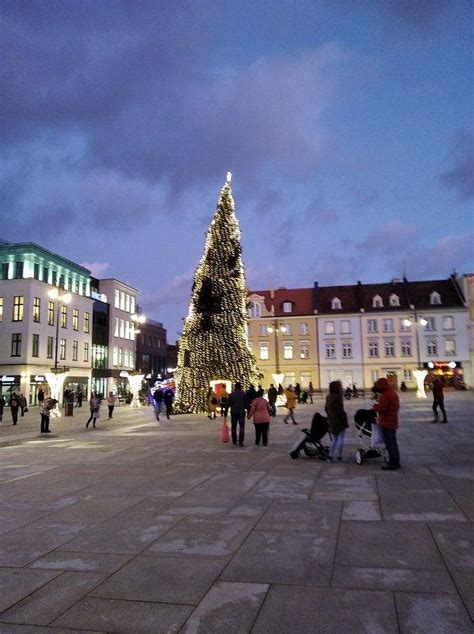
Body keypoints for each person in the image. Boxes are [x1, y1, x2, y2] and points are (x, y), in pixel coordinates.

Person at [373, 377, 401, 471]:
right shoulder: (393, 393)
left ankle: (392, 464)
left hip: (387, 422)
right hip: (393, 421)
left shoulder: (386, 395)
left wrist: (375, 406)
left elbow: (382, 409)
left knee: (389, 444)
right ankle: (396, 462)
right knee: (393, 443)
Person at [325, 380, 348, 462]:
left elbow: (326, 408)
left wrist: (330, 416)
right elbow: (340, 410)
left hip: (332, 420)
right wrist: (344, 418)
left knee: (334, 439)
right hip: (339, 421)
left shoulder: (328, 396)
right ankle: (339, 456)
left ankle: (330, 456)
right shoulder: (338, 397)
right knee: (340, 439)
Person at [228, 381, 247, 447]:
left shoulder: (231, 394)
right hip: (241, 412)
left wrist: (225, 413)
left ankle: (234, 440)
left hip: (234, 413)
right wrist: (248, 410)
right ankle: (241, 442)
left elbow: (228, 404)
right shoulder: (243, 394)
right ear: (240, 387)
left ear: (235, 387)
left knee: (234, 427)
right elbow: (246, 403)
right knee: (241, 427)